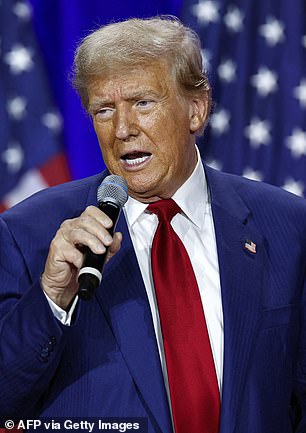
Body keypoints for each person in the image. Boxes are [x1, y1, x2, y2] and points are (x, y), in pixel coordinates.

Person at [0, 15, 306, 433]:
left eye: (143, 102)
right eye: (104, 110)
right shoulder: (28, 234)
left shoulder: (288, 227)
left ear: (196, 110)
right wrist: (51, 297)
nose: (122, 129)